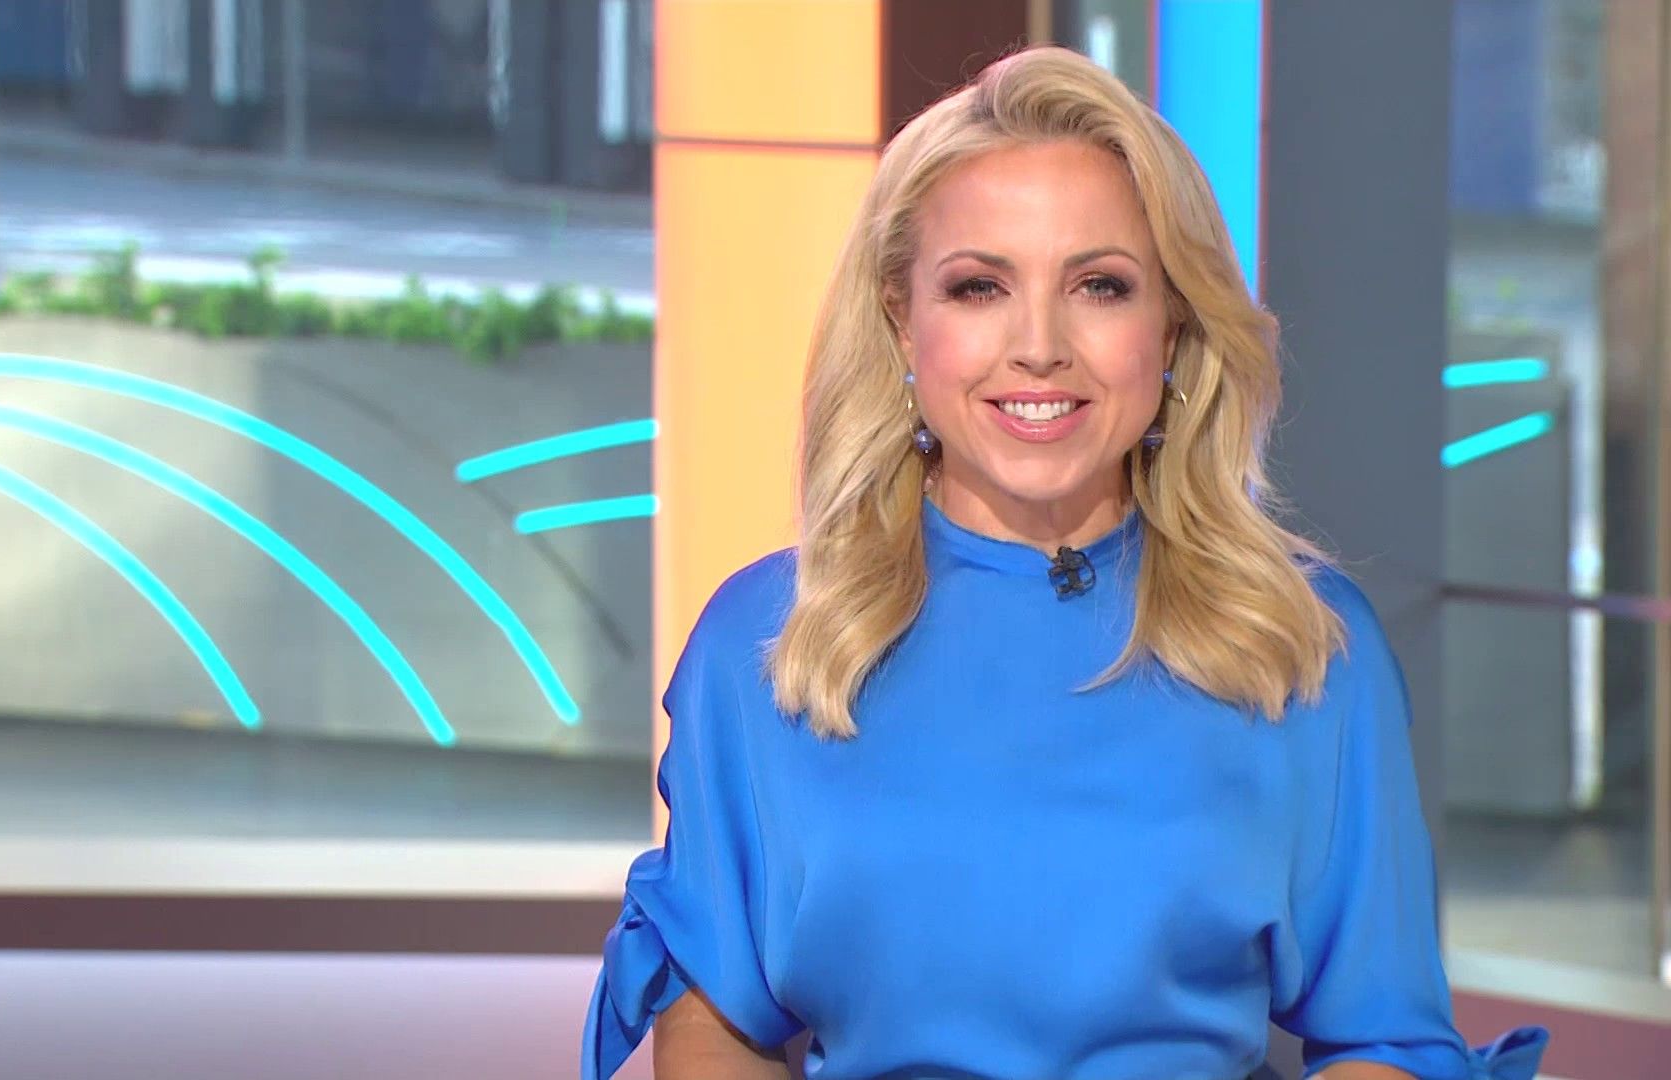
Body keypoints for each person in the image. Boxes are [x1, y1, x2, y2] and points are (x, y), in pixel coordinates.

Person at [582, 45, 1549, 1080]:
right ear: (902, 322)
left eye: (1099, 285)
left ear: (1171, 329)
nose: (1039, 345)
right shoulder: (767, 642)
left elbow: (1382, 1034)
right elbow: (716, 1018)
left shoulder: (1305, 644)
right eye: (978, 287)